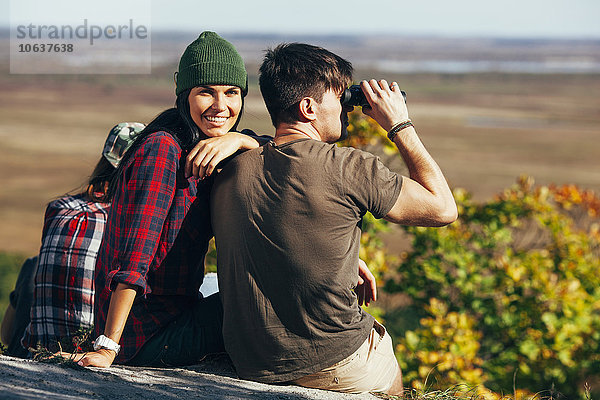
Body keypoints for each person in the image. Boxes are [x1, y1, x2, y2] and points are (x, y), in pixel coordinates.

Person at [210, 43, 458, 395]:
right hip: (334, 363)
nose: (348, 107)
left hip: (254, 361)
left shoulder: (231, 165)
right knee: (381, 350)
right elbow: (444, 209)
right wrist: (400, 124)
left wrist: (345, 258)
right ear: (308, 107)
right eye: (340, 96)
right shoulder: (349, 167)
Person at [74, 31, 273, 369]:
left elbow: (287, 155)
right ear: (185, 96)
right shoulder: (163, 150)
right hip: (148, 337)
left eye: (232, 93)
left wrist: (242, 141)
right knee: (272, 297)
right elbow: (134, 256)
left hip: (177, 318)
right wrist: (108, 346)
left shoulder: (208, 147)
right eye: (205, 93)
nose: (221, 106)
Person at [0, 122, 144, 357]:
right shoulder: (126, 219)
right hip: (90, 351)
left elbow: (5, 336)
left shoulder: (58, 207)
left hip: (30, 350)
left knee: (33, 264)